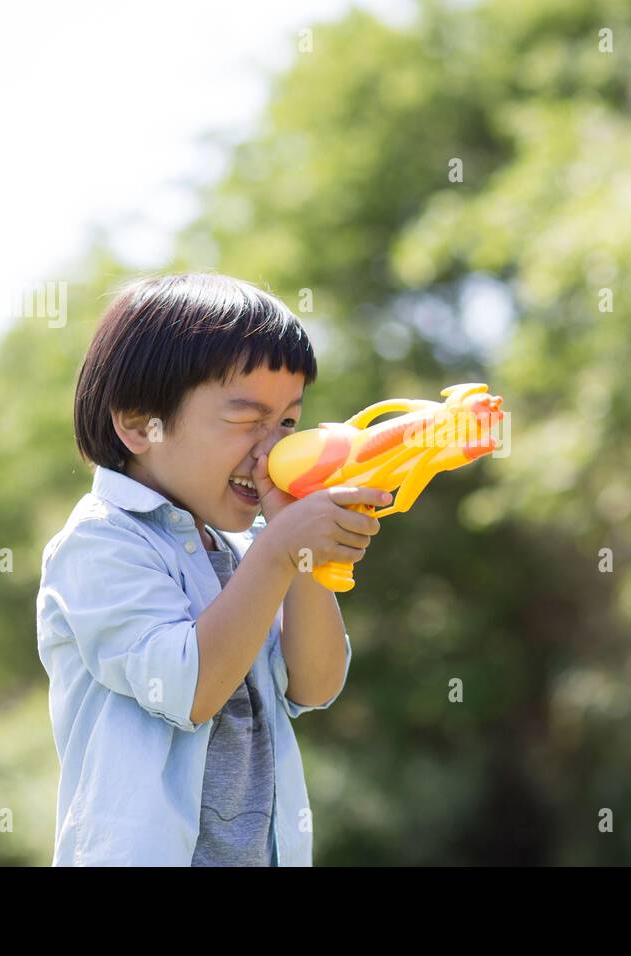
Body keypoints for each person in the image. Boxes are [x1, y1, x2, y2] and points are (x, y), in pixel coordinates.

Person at [36, 272, 388, 865]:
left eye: (287, 424)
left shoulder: (243, 547)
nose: (271, 450)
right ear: (139, 423)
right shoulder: (100, 544)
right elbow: (187, 690)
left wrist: (298, 552)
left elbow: (316, 683)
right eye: (247, 420)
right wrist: (278, 552)